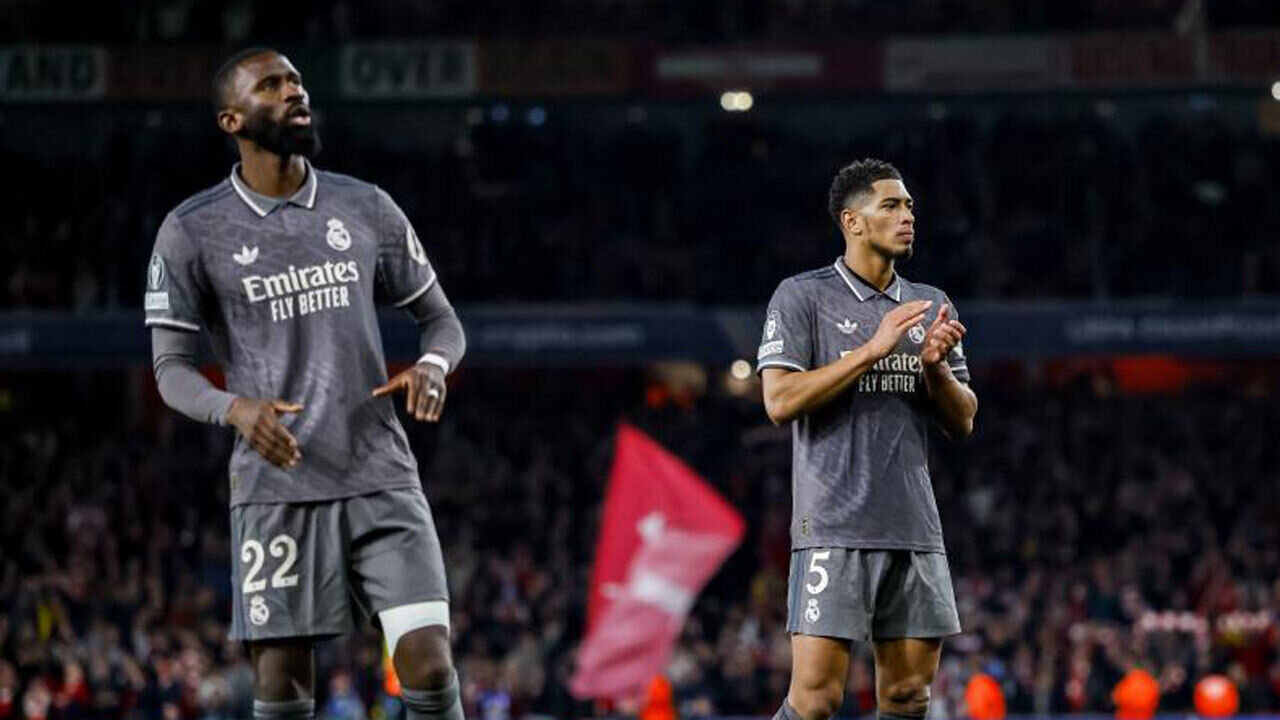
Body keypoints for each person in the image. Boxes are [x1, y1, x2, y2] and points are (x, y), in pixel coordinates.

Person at [144, 47, 466, 720]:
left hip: (380, 474)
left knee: (430, 660)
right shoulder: (191, 231)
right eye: (271, 85)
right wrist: (233, 410)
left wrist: (432, 366)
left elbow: (440, 322)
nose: (294, 91)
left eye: (296, 79)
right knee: (284, 686)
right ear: (232, 119)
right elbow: (170, 370)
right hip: (276, 488)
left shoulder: (365, 205)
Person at [756, 158, 977, 720]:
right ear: (852, 221)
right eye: (892, 206)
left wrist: (935, 370)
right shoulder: (802, 297)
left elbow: (963, 421)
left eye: (909, 207)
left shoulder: (930, 303)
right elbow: (779, 401)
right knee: (815, 700)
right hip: (833, 526)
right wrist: (871, 350)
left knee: (908, 697)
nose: (908, 217)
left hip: (914, 528)